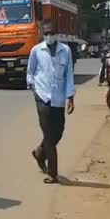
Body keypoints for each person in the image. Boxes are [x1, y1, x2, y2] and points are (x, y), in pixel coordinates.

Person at [27, 20, 75, 184]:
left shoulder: (66, 51)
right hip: (42, 96)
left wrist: (70, 97)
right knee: (48, 133)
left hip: (59, 98)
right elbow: (30, 73)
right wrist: (34, 90)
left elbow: (69, 75)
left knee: (58, 131)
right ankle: (52, 173)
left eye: (51, 33)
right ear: (42, 34)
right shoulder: (36, 51)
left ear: (57, 33)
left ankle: (40, 153)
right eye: (46, 33)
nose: (49, 36)